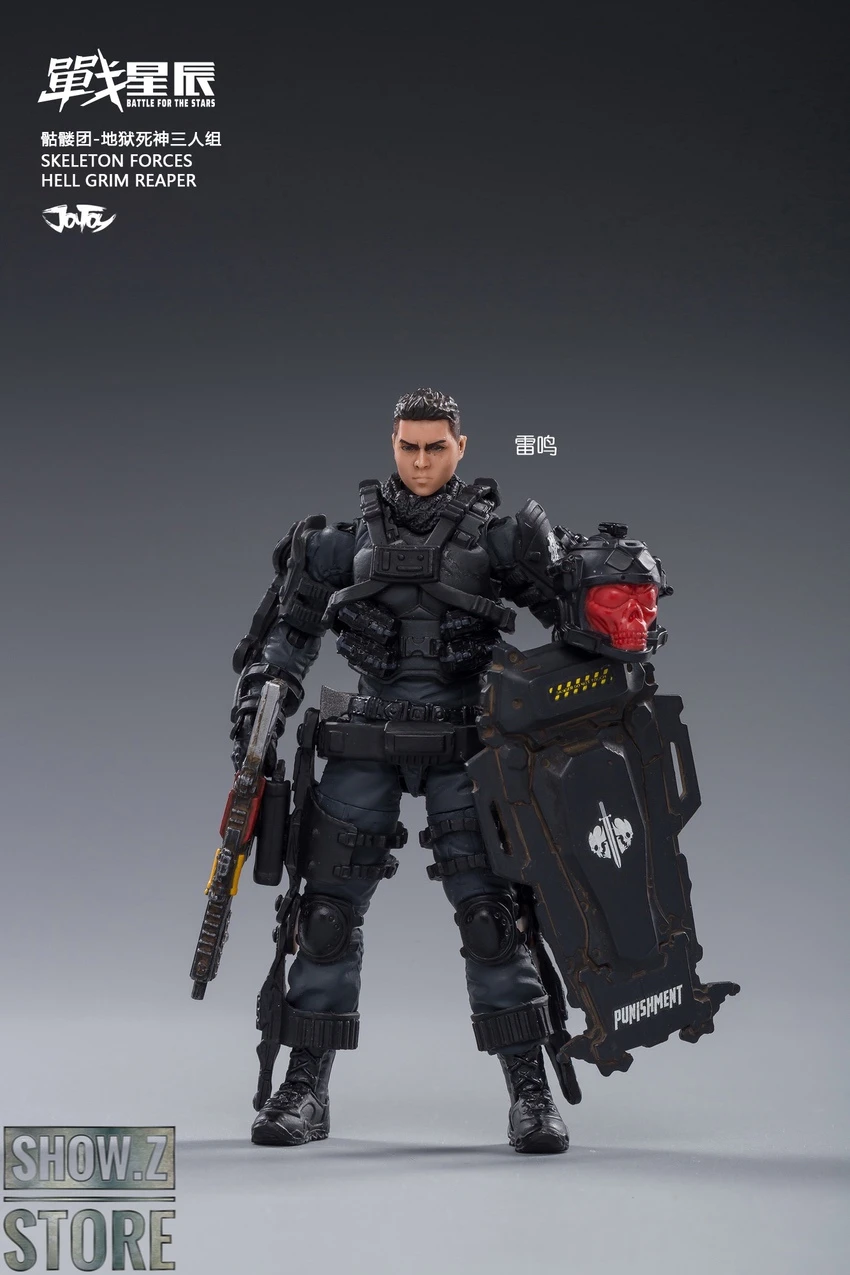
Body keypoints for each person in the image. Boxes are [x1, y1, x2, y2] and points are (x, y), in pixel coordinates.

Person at [237, 388, 588, 1154]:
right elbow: (290, 634)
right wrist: (265, 702)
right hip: (368, 736)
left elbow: (577, 626)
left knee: (495, 919)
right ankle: (305, 1087)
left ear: (461, 447)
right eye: (408, 446)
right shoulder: (343, 543)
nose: (421, 461)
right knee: (324, 917)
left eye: (435, 447)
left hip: (469, 743)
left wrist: (590, 593)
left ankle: (529, 1090)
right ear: (392, 445)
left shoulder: (500, 541)